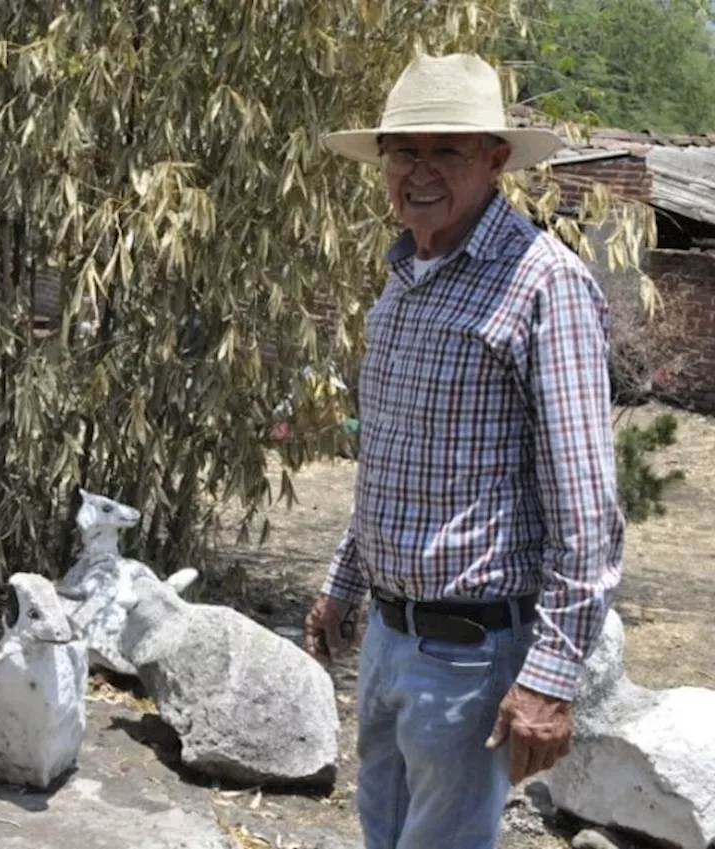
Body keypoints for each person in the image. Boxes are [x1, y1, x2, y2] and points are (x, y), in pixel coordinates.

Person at [306, 53, 624, 849]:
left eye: (447, 151)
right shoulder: (406, 278)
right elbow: (392, 456)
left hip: (472, 655)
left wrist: (550, 678)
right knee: (382, 833)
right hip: (387, 639)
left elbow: (586, 513)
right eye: (404, 152)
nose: (419, 172)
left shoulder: (543, 284)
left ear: (496, 160)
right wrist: (341, 585)